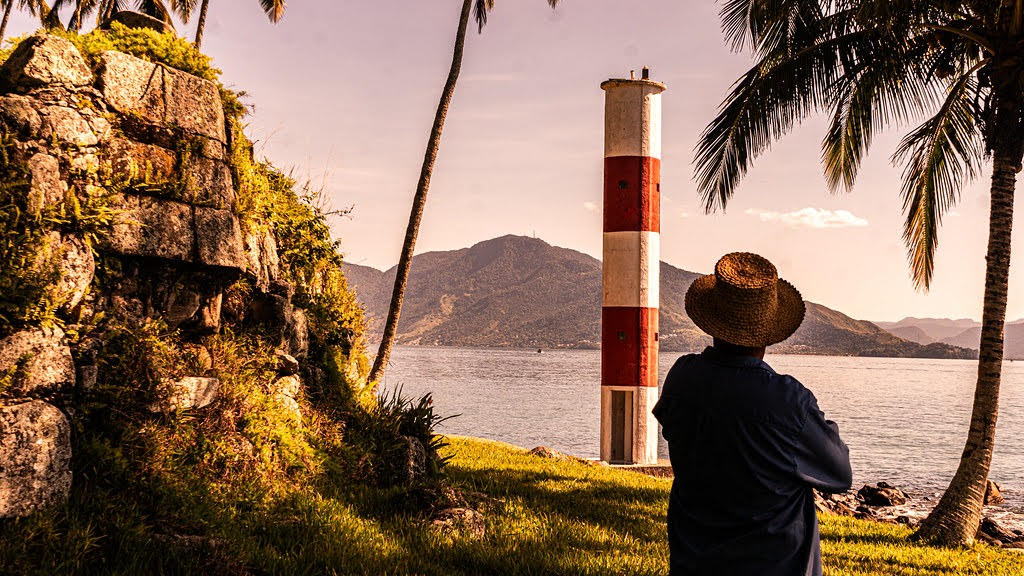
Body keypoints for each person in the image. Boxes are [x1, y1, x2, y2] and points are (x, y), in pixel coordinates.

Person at [653, 252, 852, 576]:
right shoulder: (788, 401)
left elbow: (673, 427)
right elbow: (840, 475)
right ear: (768, 332)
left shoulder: (683, 378)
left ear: (712, 322)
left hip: (694, 562)